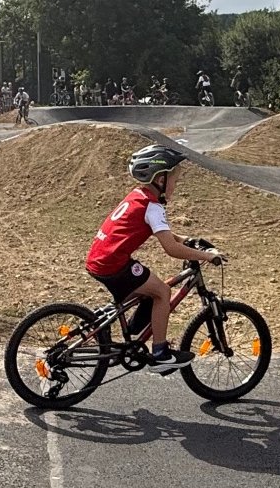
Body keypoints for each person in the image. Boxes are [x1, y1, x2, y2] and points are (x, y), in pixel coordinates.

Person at [84, 145, 226, 374]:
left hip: (100, 258)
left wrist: (186, 238)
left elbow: (164, 234)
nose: (175, 186)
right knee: (162, 292)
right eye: (174, 181)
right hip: (113, 263)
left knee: (147, 290)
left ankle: (123, 332)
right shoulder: (153, 206)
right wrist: (207, 256)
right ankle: (160, 354)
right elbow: (170, 249)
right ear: (160, 179)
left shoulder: (139, 195)